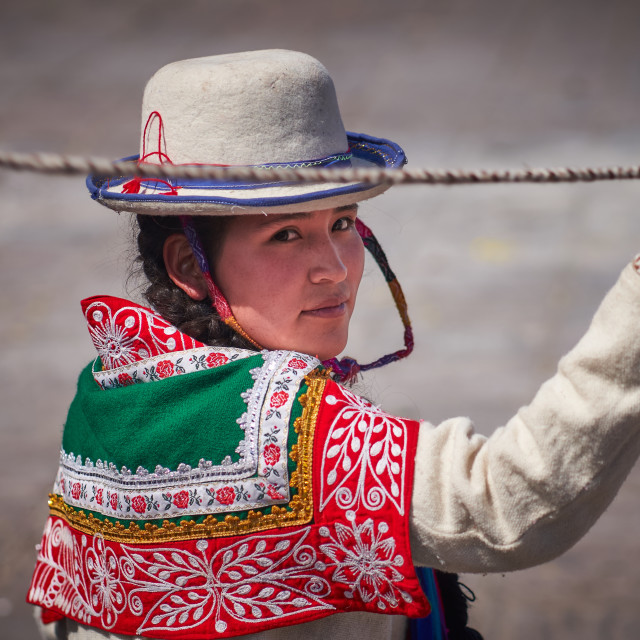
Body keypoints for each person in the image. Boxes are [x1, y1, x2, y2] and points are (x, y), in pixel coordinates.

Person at [27, 50, 640, 640]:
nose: (335, 270)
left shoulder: (111, 391)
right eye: (287, 234)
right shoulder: (286, 428)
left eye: (342, 224)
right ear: (189, 264)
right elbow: (506, 502)